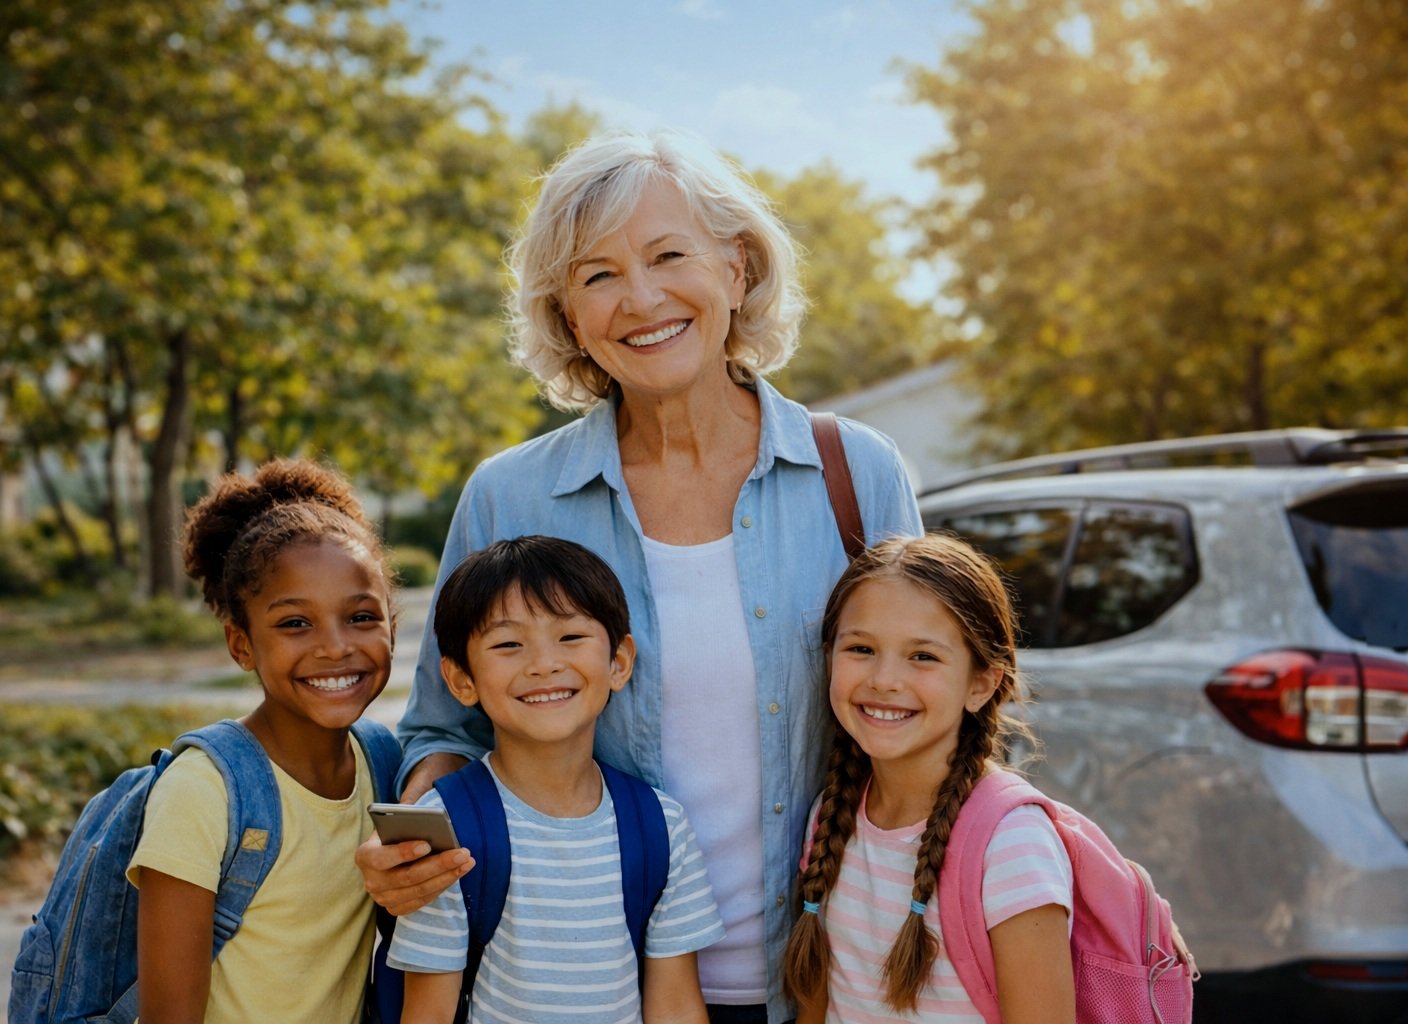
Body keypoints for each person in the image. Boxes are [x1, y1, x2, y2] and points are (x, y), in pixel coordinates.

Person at [356, 127, 923, 1024]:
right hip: (586, 992)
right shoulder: (511, 497)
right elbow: (444, 726)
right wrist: (418, 847)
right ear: (568, 316)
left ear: (735, 269)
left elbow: (937, 717)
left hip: (836, 984)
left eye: (669, 256)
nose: (642, 298)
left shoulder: (857, 475)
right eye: (599, 275)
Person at [385, 535, 725, 1022]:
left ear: (619, 662)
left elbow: (676, 1008)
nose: (544, 664)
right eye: (508, 644)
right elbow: (428, 1015)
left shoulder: (661, 827)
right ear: (461, 680)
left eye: (570, 637)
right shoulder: (445, 828)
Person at [129, 458, 398, 1023]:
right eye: (295, 623)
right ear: (241, 645)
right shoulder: (203, 791)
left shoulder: (383, 763)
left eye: (361, 617)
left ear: (392, 624)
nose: (335, 647)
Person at [783, 534, 1074, 1023]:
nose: (884, 680)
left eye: (923, 656)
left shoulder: (1011, 845)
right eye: (861, 648)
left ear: (981, 684)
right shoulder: (830, 817)